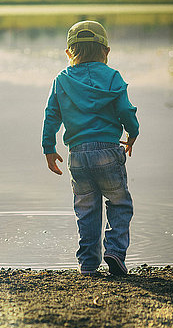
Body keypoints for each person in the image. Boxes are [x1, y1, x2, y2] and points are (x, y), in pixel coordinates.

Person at [41, 20, 139, 276]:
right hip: (108, 151)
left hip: (77, 156)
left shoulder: (62, 80)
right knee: (119, 203)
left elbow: (52, 115)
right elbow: (125, 111)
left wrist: (49, 148)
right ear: (106, 51)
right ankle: (115, 252)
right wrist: (133, 132)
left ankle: (88, 263)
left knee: (86, 208)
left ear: (68, 53)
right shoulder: (112, 76)